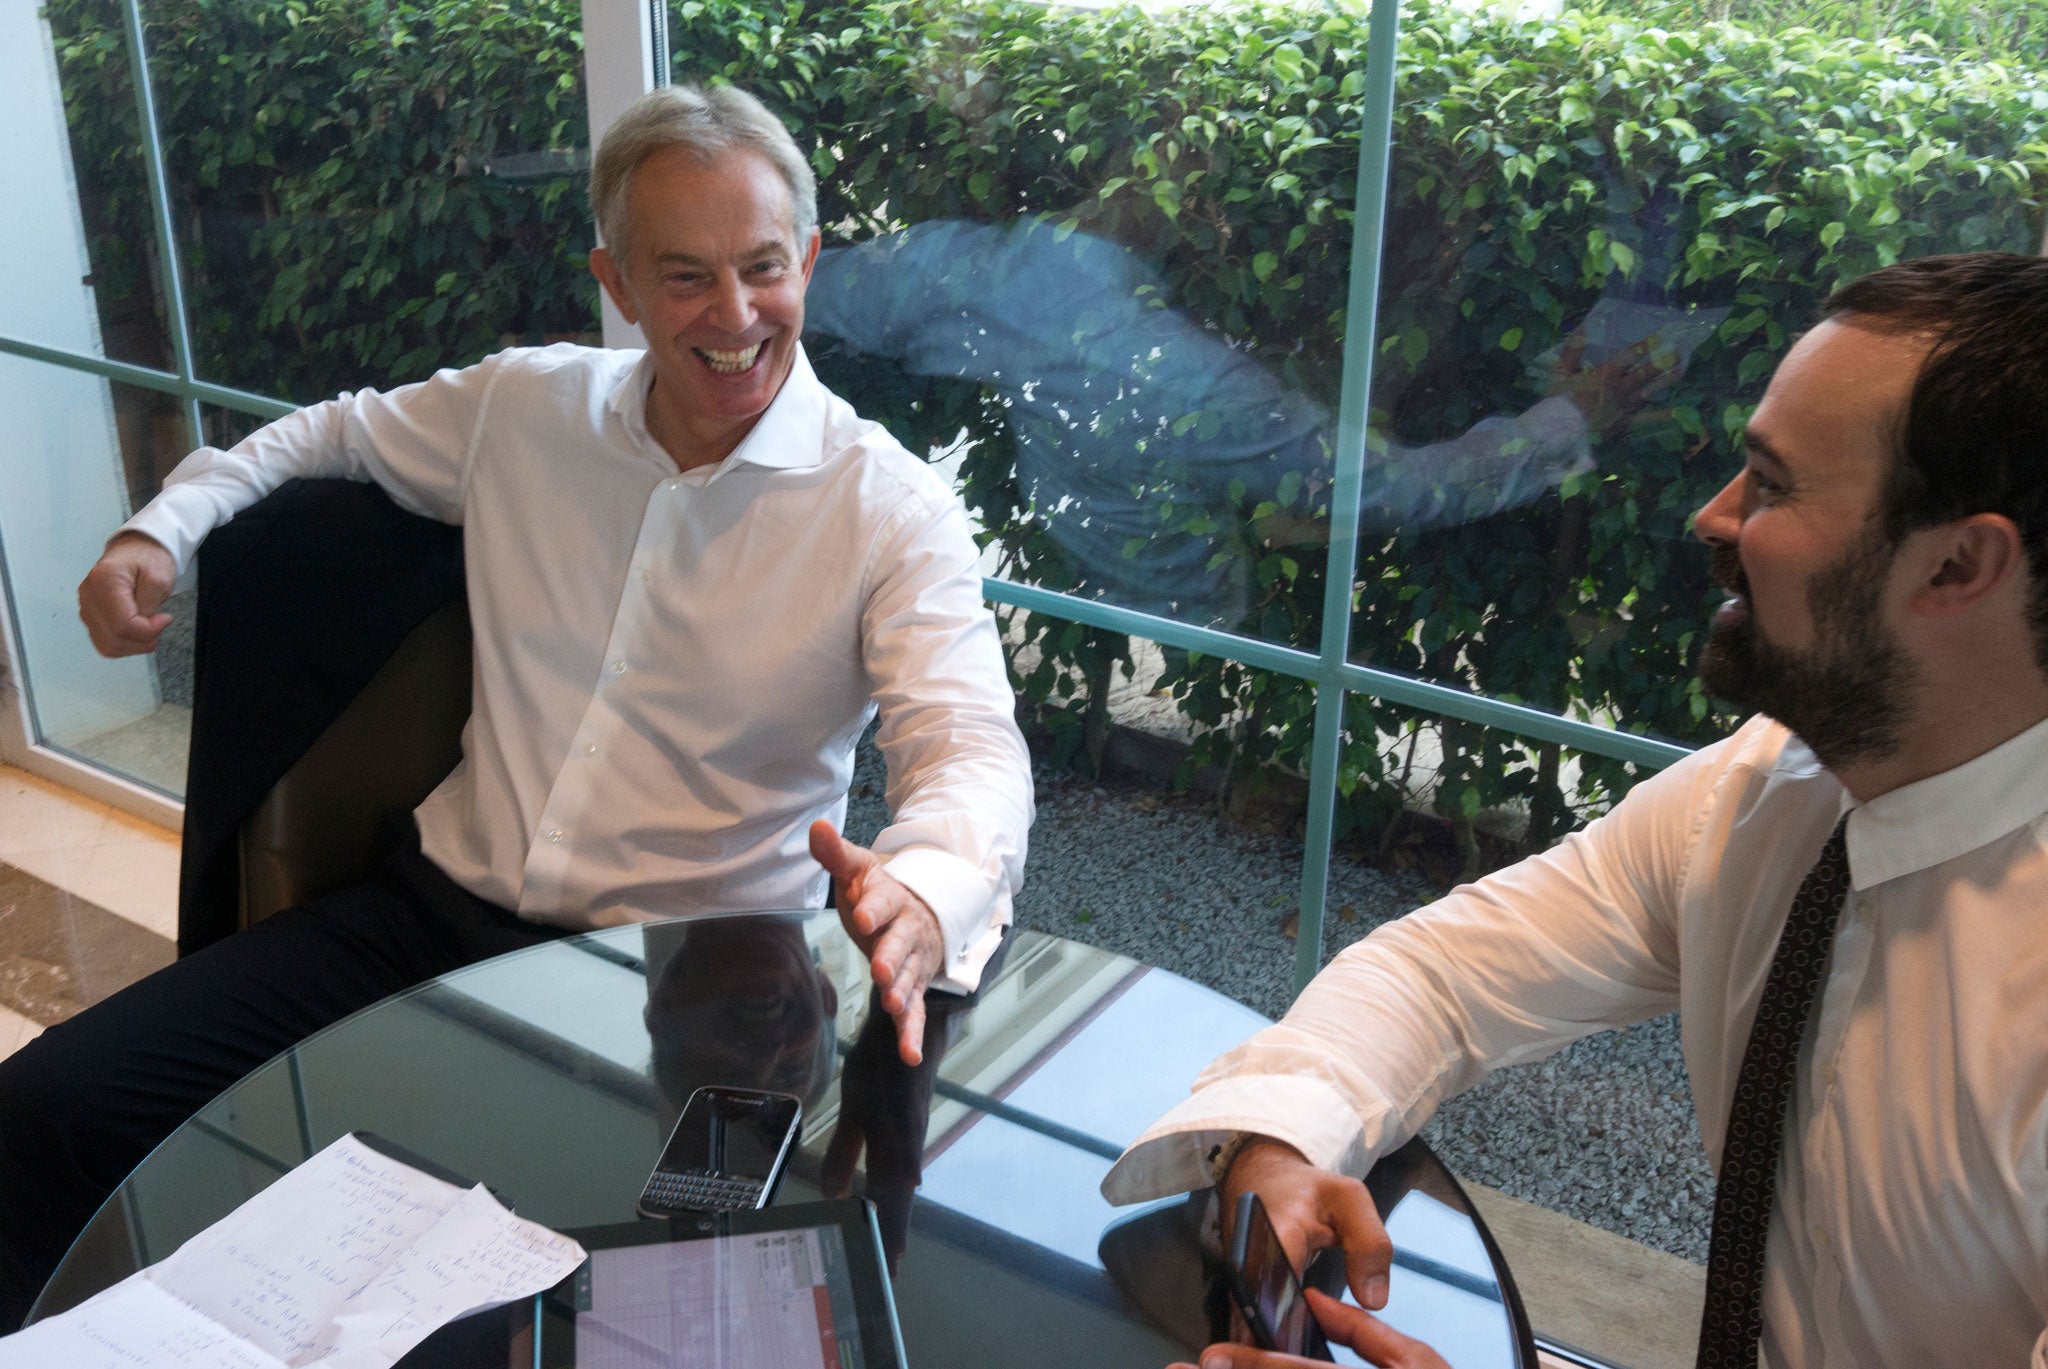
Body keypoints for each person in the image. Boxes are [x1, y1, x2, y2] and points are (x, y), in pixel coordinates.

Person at [0, 82, 1031, 1329]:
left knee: (608, 1324)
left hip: (699, 996)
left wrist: (919, 885)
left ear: (807, 259)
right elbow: (317, 437)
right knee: (40, 1117)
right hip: (415, 926)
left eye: (764, 267)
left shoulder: (887, 506)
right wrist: (156, 532)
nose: (736, 314)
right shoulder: (521, 409)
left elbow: (969, 746)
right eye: (685, 275)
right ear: (618, 280)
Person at [1105, 251, 2048, 1369]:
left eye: (1771, 483)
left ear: (1955, 565)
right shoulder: (1770, 787)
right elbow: (1442, 974)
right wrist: (1285, 1135)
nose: (1714, 516)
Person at [803, 215, 1684, 630]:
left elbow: (818, 283)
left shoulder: (1002, 267)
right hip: (1195, 637)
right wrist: (1573, 416)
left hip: (1053, 607)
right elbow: (1396, 489)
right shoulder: (1199, 385)